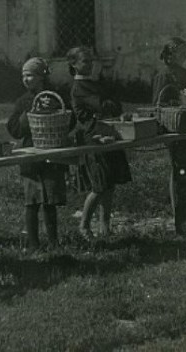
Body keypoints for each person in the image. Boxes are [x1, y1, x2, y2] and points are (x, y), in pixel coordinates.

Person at [68, 46, 133, 239]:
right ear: (74, 65)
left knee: (110, 183)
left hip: (107, 133)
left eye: (91, 61)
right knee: (99, 185)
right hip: (93, 138)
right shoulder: (78, 88)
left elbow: (112, 104)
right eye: (84, 61)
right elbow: (102, 105)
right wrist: (109, 105)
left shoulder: (93, 83)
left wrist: (112, 107)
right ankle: (84, 225)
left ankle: (105, 226)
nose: (89, 65)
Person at [7, 57, 68, 249]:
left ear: (41, 77)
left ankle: (53, 241)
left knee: (49, 200)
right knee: (31, 200)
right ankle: (33, 243)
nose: (26, 79)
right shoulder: (23, 101)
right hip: (30, 155)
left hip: (51, 151)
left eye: (30, 75)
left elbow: (69, 119)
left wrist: (56, 109)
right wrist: (27, 116)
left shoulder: (54, 97)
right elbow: (14, 128)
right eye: (23, 76)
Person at [151, 37, 186, 235]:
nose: (185, 56)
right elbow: (158, 103)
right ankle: (179, 214)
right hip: (172, 125)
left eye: (185, 52)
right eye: (181, 52)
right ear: (171, 55)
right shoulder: (163, 75)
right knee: (179, 169)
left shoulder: (185, 73)